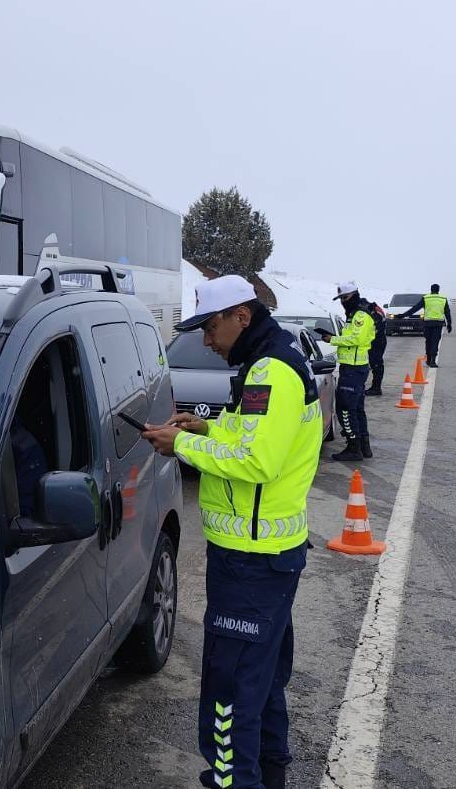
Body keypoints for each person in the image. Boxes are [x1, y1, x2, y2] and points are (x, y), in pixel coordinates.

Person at [140, 275, 322, 789]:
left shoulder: (270, 371)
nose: (206, 340)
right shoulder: (273, 359)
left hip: (249, 562)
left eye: (211, 327)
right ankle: (267, 777)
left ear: (242, 316)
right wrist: (206, 429)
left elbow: (257, 460)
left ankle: (233, 782)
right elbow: (257, 436)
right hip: (268, 558)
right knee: (260, 686)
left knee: (229, 693)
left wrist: (180, 446)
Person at [316, 281, 376, 462]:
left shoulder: (360, 315)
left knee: (345, 408)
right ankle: (363, 446)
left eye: (345, 297)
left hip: (354, 369)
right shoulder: (353, 314)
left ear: (354, 295)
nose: (343, 301)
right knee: (356, 408)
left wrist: (333, 339)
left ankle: (354, 447)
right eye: (340, 298)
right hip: (353, 367)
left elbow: (355, 338)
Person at [403, 283, 452, 367]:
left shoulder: (426, 298)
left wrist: (404, 315)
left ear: (431, 290)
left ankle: (429, 359)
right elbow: (447, 312)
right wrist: (449, 324)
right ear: (438, 290)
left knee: (428, 341)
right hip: (438, 323)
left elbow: (415, 308)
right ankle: (433, 361)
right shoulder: (443, 299)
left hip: (428, 323)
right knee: (435, 341)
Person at [364, 297, 390, 396]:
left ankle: (376, 388)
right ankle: (375, 387)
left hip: (378, 342)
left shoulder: (376, 314)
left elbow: (375, 330)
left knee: (376, 364)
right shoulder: (375, 311)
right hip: (377, 341)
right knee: (375, 364)